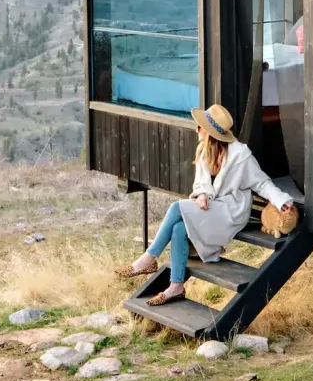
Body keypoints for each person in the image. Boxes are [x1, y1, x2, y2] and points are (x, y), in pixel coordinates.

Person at [116, 103, 295, 306]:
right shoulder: (203, 151)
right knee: (178, 228)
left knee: (176, 207)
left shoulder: (240, 155)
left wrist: (280, 200)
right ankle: (176, 286)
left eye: (200, 127)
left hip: (231, 210)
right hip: (211, 208)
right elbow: (201, 183)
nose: (197, 129)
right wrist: (201, 194)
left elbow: (261, 183)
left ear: (210, 132)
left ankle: (148, 259)